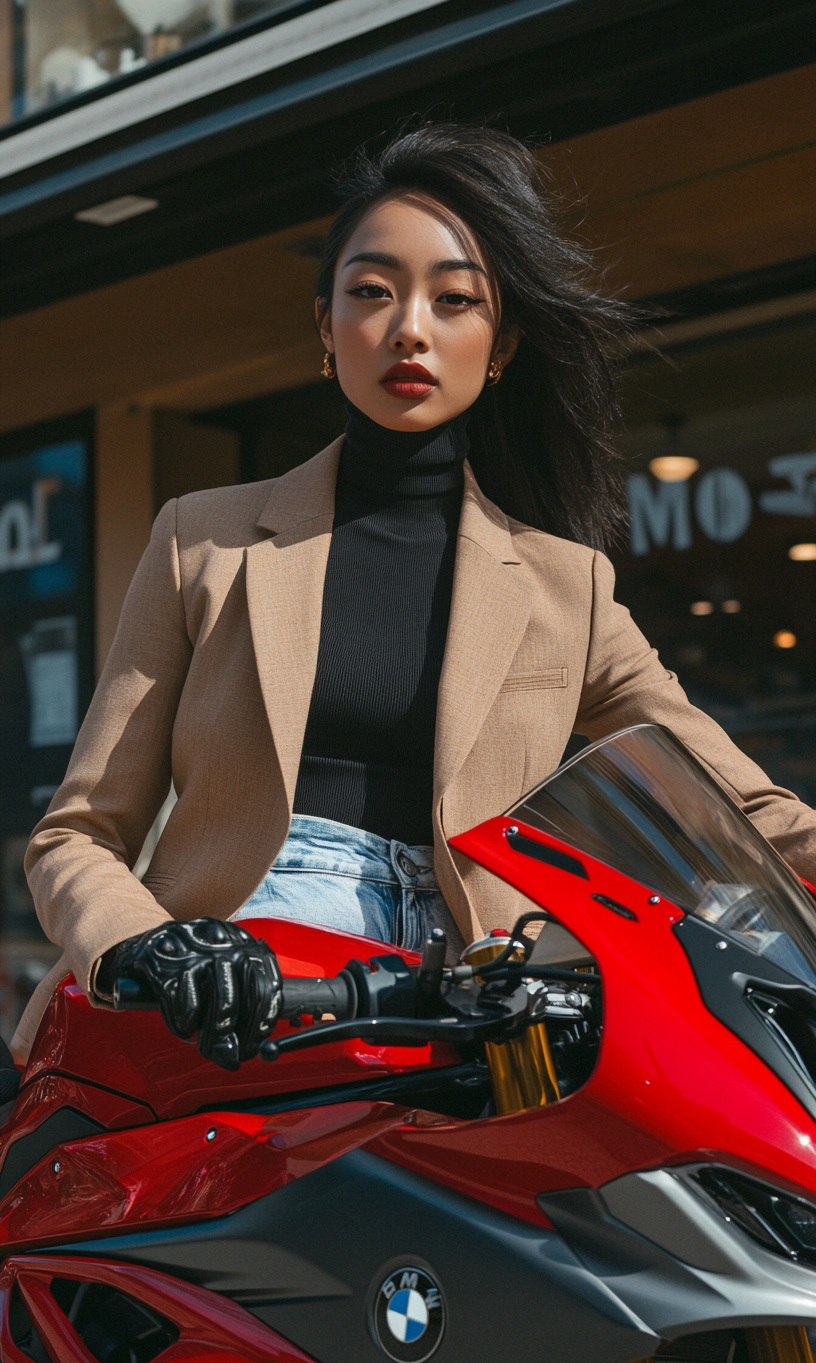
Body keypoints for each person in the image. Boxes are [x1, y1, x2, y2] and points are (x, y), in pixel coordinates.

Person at [20, 122, 816, 1071]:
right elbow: (78, 833)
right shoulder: (205, 539)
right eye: (371, 292)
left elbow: (743, 810)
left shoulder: (568, 586)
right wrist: (144, 945)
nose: (410, 328)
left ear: (502, 342)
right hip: (252, 967)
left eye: (454, 300)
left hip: (481, 991)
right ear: (326, 328)